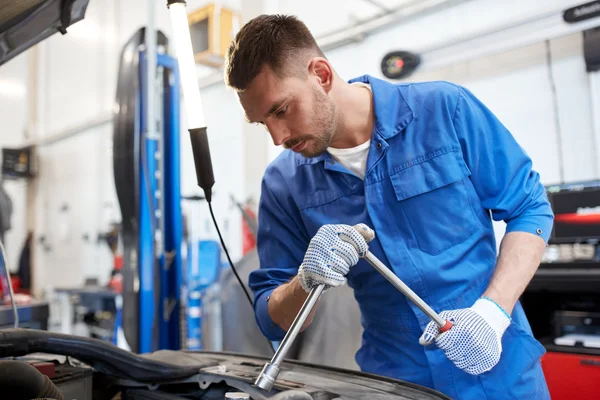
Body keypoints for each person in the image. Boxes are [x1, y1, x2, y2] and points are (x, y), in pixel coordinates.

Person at [224, 14, 554, 399]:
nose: (278, 136)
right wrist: (305, 281)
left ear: (322, 74)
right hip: (394, 383)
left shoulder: (445, 110)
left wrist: (493, 313)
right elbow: (272, 318)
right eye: (262, 123)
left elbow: (529, 208)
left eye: (281, 110)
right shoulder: (283, 183)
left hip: (497, 370)